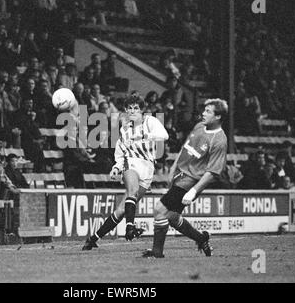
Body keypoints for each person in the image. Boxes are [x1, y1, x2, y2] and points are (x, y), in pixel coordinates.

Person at [142, 98, 228, 258]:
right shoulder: (199, 126)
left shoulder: (220, 141)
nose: (203, 113)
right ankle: (202, 239)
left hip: (190, 182)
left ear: (218, 117)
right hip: (179, 175)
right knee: (173, 217)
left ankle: (157, 253)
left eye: (208, 111)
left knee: (159, 210)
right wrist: (173, 167)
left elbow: (212, 172)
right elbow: (185, 147)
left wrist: (193, 191)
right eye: (205, 110)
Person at [82, 95, 169, 250]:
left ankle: (93, 238)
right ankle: (130, 228)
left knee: (122, 209)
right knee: (132, 191)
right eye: (129, 108)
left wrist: (145, 135)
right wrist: (116, 167)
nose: (132, 111)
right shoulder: (124, 129)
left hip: (147, 168)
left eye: (136, 108)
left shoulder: (150, 122)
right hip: (131, 163)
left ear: (142, 110)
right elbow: (121, 152)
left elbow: (164, 135)